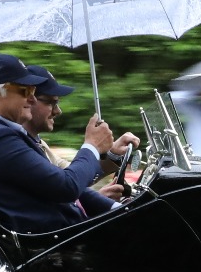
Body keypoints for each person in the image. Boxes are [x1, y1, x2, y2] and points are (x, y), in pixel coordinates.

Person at [0, 53, 126, 232]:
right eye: (25, 91)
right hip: (56, 246)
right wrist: (91, 145)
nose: (32, 99)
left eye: (33, 92)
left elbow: (55, 181)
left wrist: (115, 208)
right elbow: (66, 187)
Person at [21, 64, 125, 212]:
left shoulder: (38, 143)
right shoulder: (20, 147)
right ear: (28, 101)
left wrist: (113, 153)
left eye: (58, 103)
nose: (58, 111)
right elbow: (68, 184)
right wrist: (92, 145)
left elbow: (76, 174)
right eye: (51, 102)